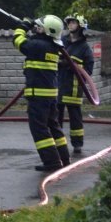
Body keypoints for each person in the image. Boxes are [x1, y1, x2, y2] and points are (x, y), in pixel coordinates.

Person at [14, 15, 70, 172]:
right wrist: (31, 28)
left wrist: (22, 26)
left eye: (39, 27)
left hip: (38, 96)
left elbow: (18, 42)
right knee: (53, 126)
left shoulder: (37, 45)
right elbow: (33, 42)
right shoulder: (52, 46)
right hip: (49, 95)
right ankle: (63, 157)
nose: (36, 28)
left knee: (39, 129)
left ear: (45, 30)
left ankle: (52, 162)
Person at [57, 14, 94, 155]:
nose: (70, 25)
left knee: (75, 117)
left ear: (80, 26)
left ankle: (77, 144)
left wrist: (73, 65)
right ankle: (57, 142)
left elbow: (88, 71)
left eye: (73, 22)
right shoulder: (62, 42)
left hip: (74, 87)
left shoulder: (84, 48)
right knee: (56, 116)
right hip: (59, 84)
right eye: (69, 22)